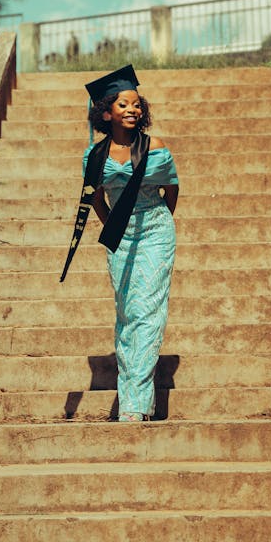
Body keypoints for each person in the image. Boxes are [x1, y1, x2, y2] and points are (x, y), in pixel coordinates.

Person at [60, 65, 179, 422]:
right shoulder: (94, 156)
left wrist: (158, 221)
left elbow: (171, 192)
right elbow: (95, 198)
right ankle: (138, 388)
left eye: (137, 105)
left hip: (156, 232)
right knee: (128, 314)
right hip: (120, 237)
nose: (132, 110)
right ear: (106, 112)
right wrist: (113, 226)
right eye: (124, 104)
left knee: (146, 313)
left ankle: (134, 404)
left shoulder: (154, 147)